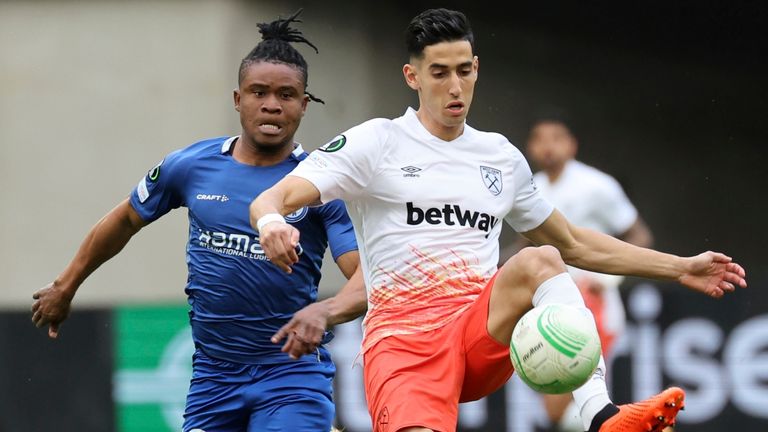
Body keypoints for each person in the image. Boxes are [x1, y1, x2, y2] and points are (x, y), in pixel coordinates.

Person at [248, 8, 747, 432]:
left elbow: (573, 244)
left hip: (478, 333)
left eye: (464, 70)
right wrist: (272, 222)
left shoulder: (500, 157)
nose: (455, 85)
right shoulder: (376, 143)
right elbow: (275, 196)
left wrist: (679, 267)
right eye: (439, 72)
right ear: (412, 76)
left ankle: (601, 415)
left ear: (477, 68)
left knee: (541, 258)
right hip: (404, 345)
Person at [31, 10, 367, 432]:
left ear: (303, 104)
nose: (271, 105)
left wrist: (325, 312)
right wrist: (65, 286)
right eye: (258, 91)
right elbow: (123, 221)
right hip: (214, 375)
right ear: (237, 99)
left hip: (291, 371)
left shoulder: (320, 184)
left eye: (286, 95)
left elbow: (365, 279)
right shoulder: (190, 166)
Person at [525, 119, 654, 431]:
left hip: (592, 302)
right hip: (549, 304)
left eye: (556, 138)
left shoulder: (597, 185)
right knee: (558, 405)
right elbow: (525, 244)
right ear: (530, 147)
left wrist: (606, 280)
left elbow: (640, 236)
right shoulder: (531, 187)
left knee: (564, 399)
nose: (548, 146)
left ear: (572, 144)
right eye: (540, 139)